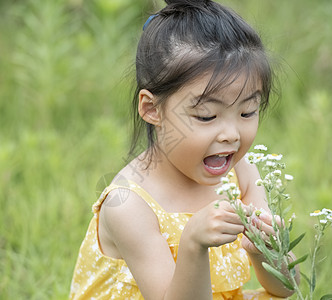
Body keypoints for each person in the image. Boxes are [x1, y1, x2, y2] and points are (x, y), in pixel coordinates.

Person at [69, 0, 299, 299]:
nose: (231, 135)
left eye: (247, 112)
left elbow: (286, 289)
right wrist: (192, 243)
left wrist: (267, 249)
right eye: (206, 116)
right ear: (152, 109)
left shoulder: (242, 172)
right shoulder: (129, 206)